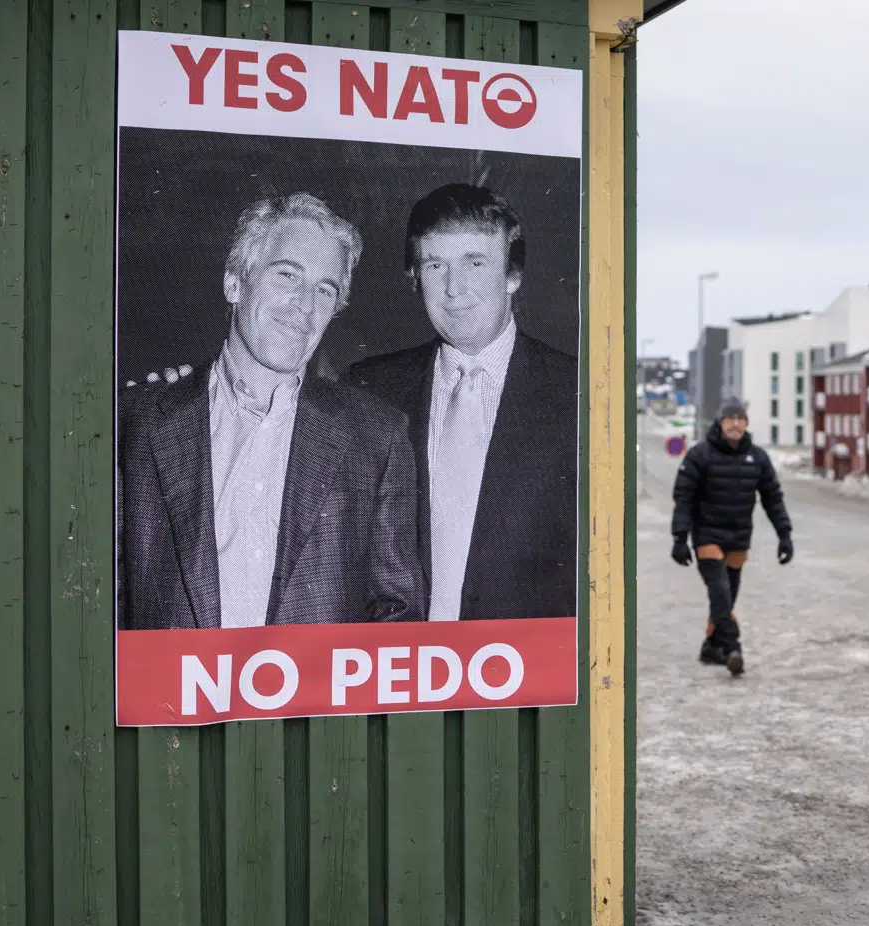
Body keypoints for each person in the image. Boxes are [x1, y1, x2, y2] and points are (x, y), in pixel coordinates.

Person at [117, 192, 426, 629]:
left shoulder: (377, 438)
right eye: (287, 275)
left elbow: (399, 620)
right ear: (235, 283)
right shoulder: (133, 425)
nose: (305, 304)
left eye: (325, 289)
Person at [345, 183, 577, 622]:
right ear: (414, 278)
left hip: (527, 677)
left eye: (475, 262)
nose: (454, 288)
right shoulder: (369, 389)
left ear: (513, 275)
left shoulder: (576, 393)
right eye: (436, 265)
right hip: (401, 673)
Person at [670, 399, 793, 676]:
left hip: (738, 540)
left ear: (746, 423)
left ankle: (711, 647)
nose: (735, 424)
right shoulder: (699, 455)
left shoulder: (758, 458)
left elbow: (773, 498)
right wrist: (679, 538)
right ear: (720, 423)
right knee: (721, 593)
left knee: (726, 600)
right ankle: (732, 648)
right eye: (730, 419)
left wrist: (784, 534)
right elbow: (684, 498)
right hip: (707, 537)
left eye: (740, 418)